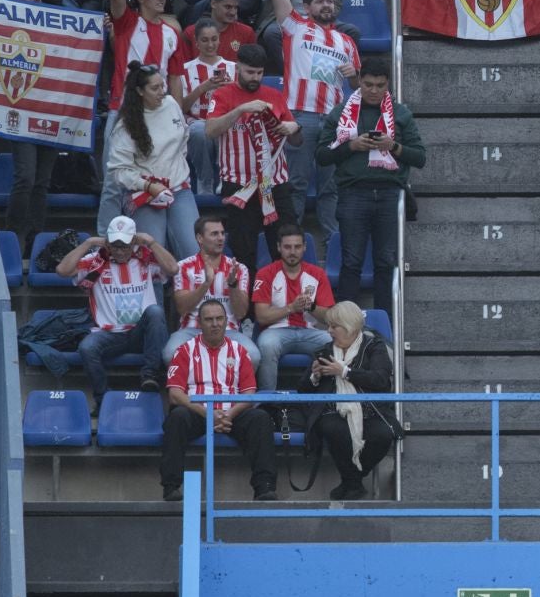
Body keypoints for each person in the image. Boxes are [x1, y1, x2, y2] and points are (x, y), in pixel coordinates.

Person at [265, 0, 360, 247]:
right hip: (300, 115)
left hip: (333, 120)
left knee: (330, 186)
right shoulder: (295, 27)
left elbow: (357, 86)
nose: (326, 5)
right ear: (307, 7)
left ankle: (331, 239)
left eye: (330, 2)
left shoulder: (347, 42)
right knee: (296, 183)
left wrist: (353, 74)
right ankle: (289, 240)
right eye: (320, 2)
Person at [316, 57, 423, 316]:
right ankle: (345, 323)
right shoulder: (340, 112)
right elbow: (320, 156)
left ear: (388, 85)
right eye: (368, 85)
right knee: (351, 261)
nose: (374, 91)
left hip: (389, 194)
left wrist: (393, 147)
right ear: (359, 82)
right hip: (353, 193)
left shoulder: (402, 114)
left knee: (386, 263)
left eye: (380, 85)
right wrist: (351, 146)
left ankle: (385, 323)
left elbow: (420, 157)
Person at [162, 299, 277, 502]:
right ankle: (171, 486)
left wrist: (227, 415)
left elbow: (250, 393)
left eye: (219, 319)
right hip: (197, 412)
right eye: (209, 319)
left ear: (226, 321)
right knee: (177, 417)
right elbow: (175, 394)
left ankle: (264, 487)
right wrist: (208, 415)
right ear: (199, 323)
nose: (215, 324)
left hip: (230, 414)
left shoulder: (240, 351)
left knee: (260, 418)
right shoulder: (184, 350)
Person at [58, 216, 178, 402]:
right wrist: (88, 242)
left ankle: (150, 375)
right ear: (107, 243)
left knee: (155, 311)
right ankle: (103, 397)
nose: (120, 251)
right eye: (115, 245)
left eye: (126, 246)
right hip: (110, 334)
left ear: (134, 242)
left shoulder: (145, 258)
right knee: (86, 348)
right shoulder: (95, 261)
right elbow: (62, 270)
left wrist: (152, 242)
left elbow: (172, 269)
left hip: (141, 331)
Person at [205, 43, 301, 268]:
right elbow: (210, 131)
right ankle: (247, 303)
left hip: (275, 184)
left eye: (259, 73)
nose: (255, 78)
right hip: (239, 185)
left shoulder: (274, 96)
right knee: (243, 253)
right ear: (237, 67)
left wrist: (293, 128)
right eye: (250, 72)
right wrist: (240, 110)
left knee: (286, 250)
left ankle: (283, 301)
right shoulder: (223, 95)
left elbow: (297, 141)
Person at [98, 61, 198, 259]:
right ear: (140, 91)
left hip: (179, 188)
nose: (162, 91)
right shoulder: (125, 125)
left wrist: (176, 167)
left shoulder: (171, 105)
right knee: (152, 256)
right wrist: (148, 185)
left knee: (193, 251)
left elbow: (183, 137)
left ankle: (191, 289)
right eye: (155, 88)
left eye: (163, 85)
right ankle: (157, 290)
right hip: (144, 194)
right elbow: (119, 171)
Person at [298, 301, 394, 501]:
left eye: (334, 327)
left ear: (350, 327)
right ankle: (353, 484)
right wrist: (315, 376)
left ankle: (351, 483)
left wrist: (344, 372)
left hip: (371, 408)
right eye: (329, 326)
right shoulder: (325, 350)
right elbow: (302, 388)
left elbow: (380, 380)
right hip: (332, 410)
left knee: (383, 434)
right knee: (334, 428)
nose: (330, 331)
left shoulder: (373, 347)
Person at [164, 213, 258, 364]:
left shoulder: (239, 268)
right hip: (192, 329)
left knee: (253, 356)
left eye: (222, 233)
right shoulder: (183, 267)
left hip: (228, 330)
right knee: (170, 353)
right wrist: (206, 283)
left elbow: (240, 313)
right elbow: (182, 308)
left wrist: (233, 286)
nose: (221, 238)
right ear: (200, 238)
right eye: (214, 234)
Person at [251, 223, 334, 393]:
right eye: (287, 247)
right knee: (267, 345)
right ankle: (268, 402)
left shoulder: (317, 274)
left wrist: (310, 306)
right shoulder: (265, 274)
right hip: (276, 331)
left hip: (309, 332)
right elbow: (261, 316)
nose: (292, 251)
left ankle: (326, 401)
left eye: (297, 247)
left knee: (333, 342)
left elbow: (328, 317)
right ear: (279, 247)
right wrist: (291, 308)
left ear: (304, 247)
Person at [103, 0, 183, 117]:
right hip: (124, 107)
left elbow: (175, 79)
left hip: (159, 111)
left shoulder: (172, 33)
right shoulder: (127, 23)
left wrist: (178, 115)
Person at [175, 16, 233, 190]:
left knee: (227, 128)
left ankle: (226, 177)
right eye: (205, 40)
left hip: (226, 121)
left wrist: (232, 89)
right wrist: (202, 88)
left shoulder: (233, 68)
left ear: (220, 40)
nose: (210, 45)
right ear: (197, 42)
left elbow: (244, 104)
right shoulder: (184, 70)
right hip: (196, 122)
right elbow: (180, 108)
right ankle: (204, 182)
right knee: (200, 131)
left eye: (214, 39)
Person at [176, 0, 258, 64]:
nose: (233, 12)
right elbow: (183, 69)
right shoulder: (191, 33)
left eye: (235, 7)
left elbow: (252, 67)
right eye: (228, 7)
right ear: (213, 3)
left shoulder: (247, 33)